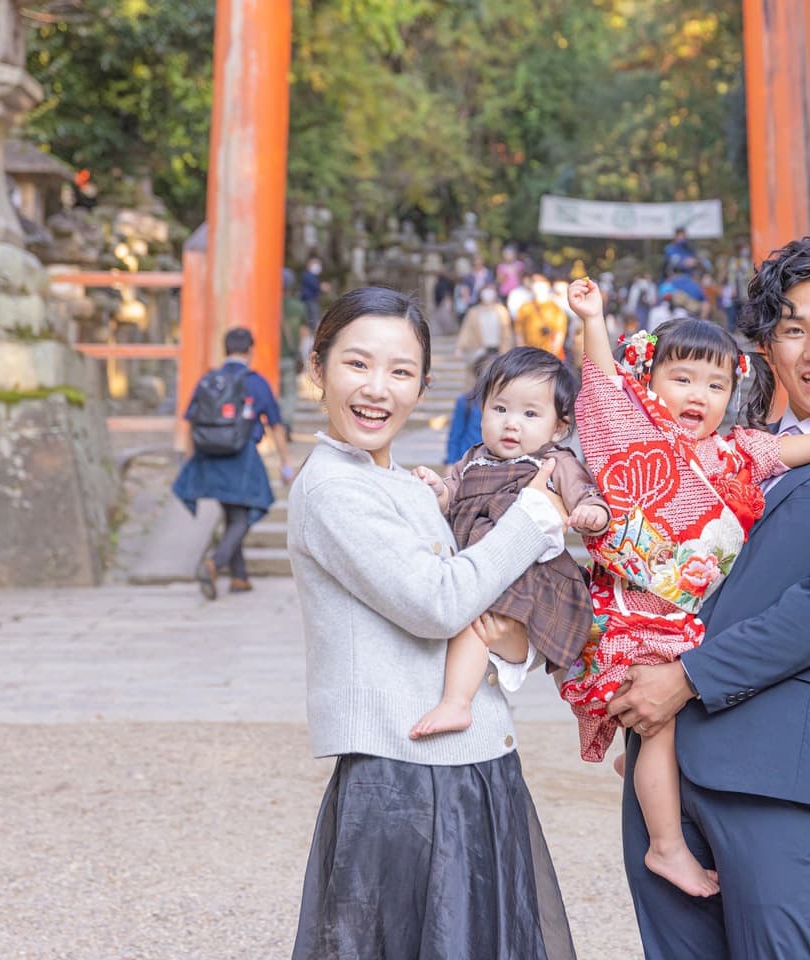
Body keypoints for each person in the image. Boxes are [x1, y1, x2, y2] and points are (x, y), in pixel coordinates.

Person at [602, 236, 810, 957]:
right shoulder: (726, 448)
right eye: (792, 328)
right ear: (766, 347)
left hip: (771, 775)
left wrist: (684, 679)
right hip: (662, 760)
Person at [561, 278, 810, 900]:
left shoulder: (731, 452)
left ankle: (645, 784)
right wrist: (593, 318)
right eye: (681, 379)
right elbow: (603, 385)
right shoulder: (629, 437)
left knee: (655, 730)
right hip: (632, 615)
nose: (699, 395)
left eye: (716, 386)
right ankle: (666, 845)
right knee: (654, 729)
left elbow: (782, 454)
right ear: (648, 382)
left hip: (678, 626)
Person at [288, 287, 577, 960]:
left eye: (400, 371)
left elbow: (494, 614)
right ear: (318, 370)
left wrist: (516, 641)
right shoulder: (335, 489)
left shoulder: (409, 486)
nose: (377, 388)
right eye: (357, 364)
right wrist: (534, 517)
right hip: (404, 777)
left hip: (472, 760)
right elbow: (441, 603)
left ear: (421, 384)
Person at [409, 347, 611, 739]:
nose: (511, 424)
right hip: (484, 568)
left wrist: (592, 513)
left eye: (530, 414)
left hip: (533, 580)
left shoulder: (555, 463)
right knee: (474, 624)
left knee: (477, 625)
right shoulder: (473, 459)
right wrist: (437, 490)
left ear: (557, 428)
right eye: (500, 409)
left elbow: (586, 495)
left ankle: (456, 703)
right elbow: (451, 493)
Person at [173, 327, 293, 598]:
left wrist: (189, 457)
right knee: (248, 511)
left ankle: (239, 577)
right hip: (242, 456)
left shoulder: (210, 380)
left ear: (225, 350)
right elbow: (275, 425)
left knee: (232, 513)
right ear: (250, 350)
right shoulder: (255, 382)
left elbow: (191, 419)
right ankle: (215, 563)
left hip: (210, 457)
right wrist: (286, 462)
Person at [444, 351, 497, 466]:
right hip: (467, 460)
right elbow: (455, 435)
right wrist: (451, 461)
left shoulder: (505, 405)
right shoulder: (466, 401)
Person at [455, 281, 514, 365]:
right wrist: (459, 348)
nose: (488, 293)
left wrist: (508, 349)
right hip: (479, 350)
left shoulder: (502, 310)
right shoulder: (473, 312)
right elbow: (466, 330)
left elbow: (507, 332)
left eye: (491, 290)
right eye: (486, 290)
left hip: (498, 350)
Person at [515, 275, 568, 359]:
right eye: (535, 283)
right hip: (529, 356)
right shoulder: (525, 307)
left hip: (548, 355)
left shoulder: (555, 308)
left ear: (548, 285)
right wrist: (522, 354)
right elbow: (519, 333)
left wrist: (553, 355)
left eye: (541, 283)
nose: (538, 287)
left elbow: (560, 334)